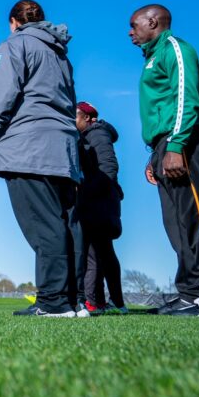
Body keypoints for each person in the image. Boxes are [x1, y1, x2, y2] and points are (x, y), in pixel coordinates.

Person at [129, 5, 199, 317]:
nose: (130, 33)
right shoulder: (151, 58)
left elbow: (187, 98)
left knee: (197, 218)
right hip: (166, 145)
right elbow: (161, 109)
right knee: (176, 225)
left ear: (153, 21)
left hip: (186, 140)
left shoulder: (175, 49)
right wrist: (155, 154)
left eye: (134, 26)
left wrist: (175, 145)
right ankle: (189, 295)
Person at [0, 0, 81, 318]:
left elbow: (0, 97)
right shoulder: (60, 54)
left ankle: (54, 302)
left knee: (43, 225)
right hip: (64, 148)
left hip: (28, 147)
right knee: (65, 224)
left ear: (14, 22)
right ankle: (71, 299)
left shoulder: (13, 46)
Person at [75, 102, 127, 315]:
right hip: (102, 199)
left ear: (88, 118)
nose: (73, 120)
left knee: (94, 252)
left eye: (75, 116)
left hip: (99, 201)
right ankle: (116, 302)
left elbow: (108, 167)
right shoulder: (92, 134)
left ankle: (95, 302)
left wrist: (89, 192)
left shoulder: (97, 134)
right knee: (104, 252)